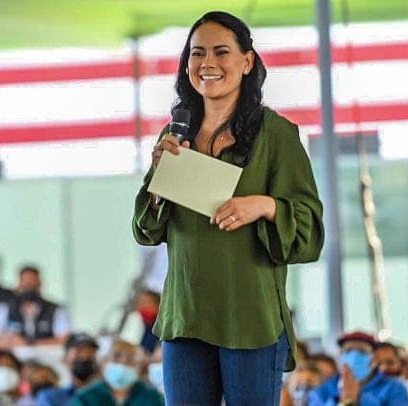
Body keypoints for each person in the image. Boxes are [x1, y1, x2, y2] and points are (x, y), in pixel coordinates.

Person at [132, 10, 324, 405]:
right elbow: (145, 230)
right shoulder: (175, 133)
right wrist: (158, 182)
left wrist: (265, 205)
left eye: (221, 52)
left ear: (247, 61)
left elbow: (311, 229)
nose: (208, 63)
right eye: (197, 53)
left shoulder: (277, 134)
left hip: (249, 318)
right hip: (185, 316)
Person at [0, 266, 71, 348]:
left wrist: (29, 344)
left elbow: (65, 340)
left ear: (40, 284)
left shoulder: (55, 309)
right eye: (26, 285)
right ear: (19, 285)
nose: (29, 289)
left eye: (32, 285)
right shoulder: (7, 308)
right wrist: (0, 344)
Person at [309, 331, 408, 406]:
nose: (354, 356)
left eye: (362, 351)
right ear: (340, 356)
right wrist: (342, 400)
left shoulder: (394, 388)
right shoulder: (322, 391)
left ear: (374, 359)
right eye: (348, 351)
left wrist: (358, 398)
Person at [70, 340, 163, 406]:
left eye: (130, 359)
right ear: (103, 363)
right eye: (116, 357)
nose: (123, 363)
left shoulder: (153, 398)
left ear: (139, 368)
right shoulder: (85, 398)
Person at [36, 332, 100, 405]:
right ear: (65, 359)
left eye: (90, 353)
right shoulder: (50, 397)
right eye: (78, 352)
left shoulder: (105, 395)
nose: (84, 357)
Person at [135, 290, 160, 355]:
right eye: (140, 303)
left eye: (146, 302)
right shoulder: (144, 326)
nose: (142, 306)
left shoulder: (161, 328)